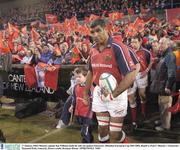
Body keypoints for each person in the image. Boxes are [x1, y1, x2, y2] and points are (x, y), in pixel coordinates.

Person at [83, 18, 140, 143]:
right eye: (92, 32)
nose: (95, 35)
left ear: (106, 30)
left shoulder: (118, 47)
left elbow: (131, 74)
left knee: (115, 134)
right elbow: (90, 71)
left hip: (116, 94)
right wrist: (85, 93)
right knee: (102, 131)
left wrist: (113, 95)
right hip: (99, 92)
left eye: (98, 31)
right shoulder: (92, 49)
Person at [151, 37, 176, 131]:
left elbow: (172, 73)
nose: (160, 45)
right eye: (159, 43)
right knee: (162, 105)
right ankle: (162, 120)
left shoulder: (169, 55)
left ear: (168, 45)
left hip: (165, 87)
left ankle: (165, 125)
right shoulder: (164, 54)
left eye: (162, 43)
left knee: (165, 106)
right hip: (161, 86)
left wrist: (168, 86)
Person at [127, 35, 152, 128]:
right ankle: (133, 120)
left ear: (140, 42)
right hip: (132, 75)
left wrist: (147, 70)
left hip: (142, 75)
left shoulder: (146, 52)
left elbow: (151, 61)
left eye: (135, 42)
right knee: (131, 97)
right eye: (132, 42)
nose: (133, 44)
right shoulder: (128, 51)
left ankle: (143, 111)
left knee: (142, 94)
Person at [69, 67, 94, 143]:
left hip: (88, 112)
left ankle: (86, 143)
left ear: (86, 77)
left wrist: (89, 101)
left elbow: (94, 99)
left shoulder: (90, 87)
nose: (77, 79)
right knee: (87, 129)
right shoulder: (75, 87)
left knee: (84, 131)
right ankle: (90, 139)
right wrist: (72, 106)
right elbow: (74, 98)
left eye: (80, 77)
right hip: (79, 111)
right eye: (76, 77)